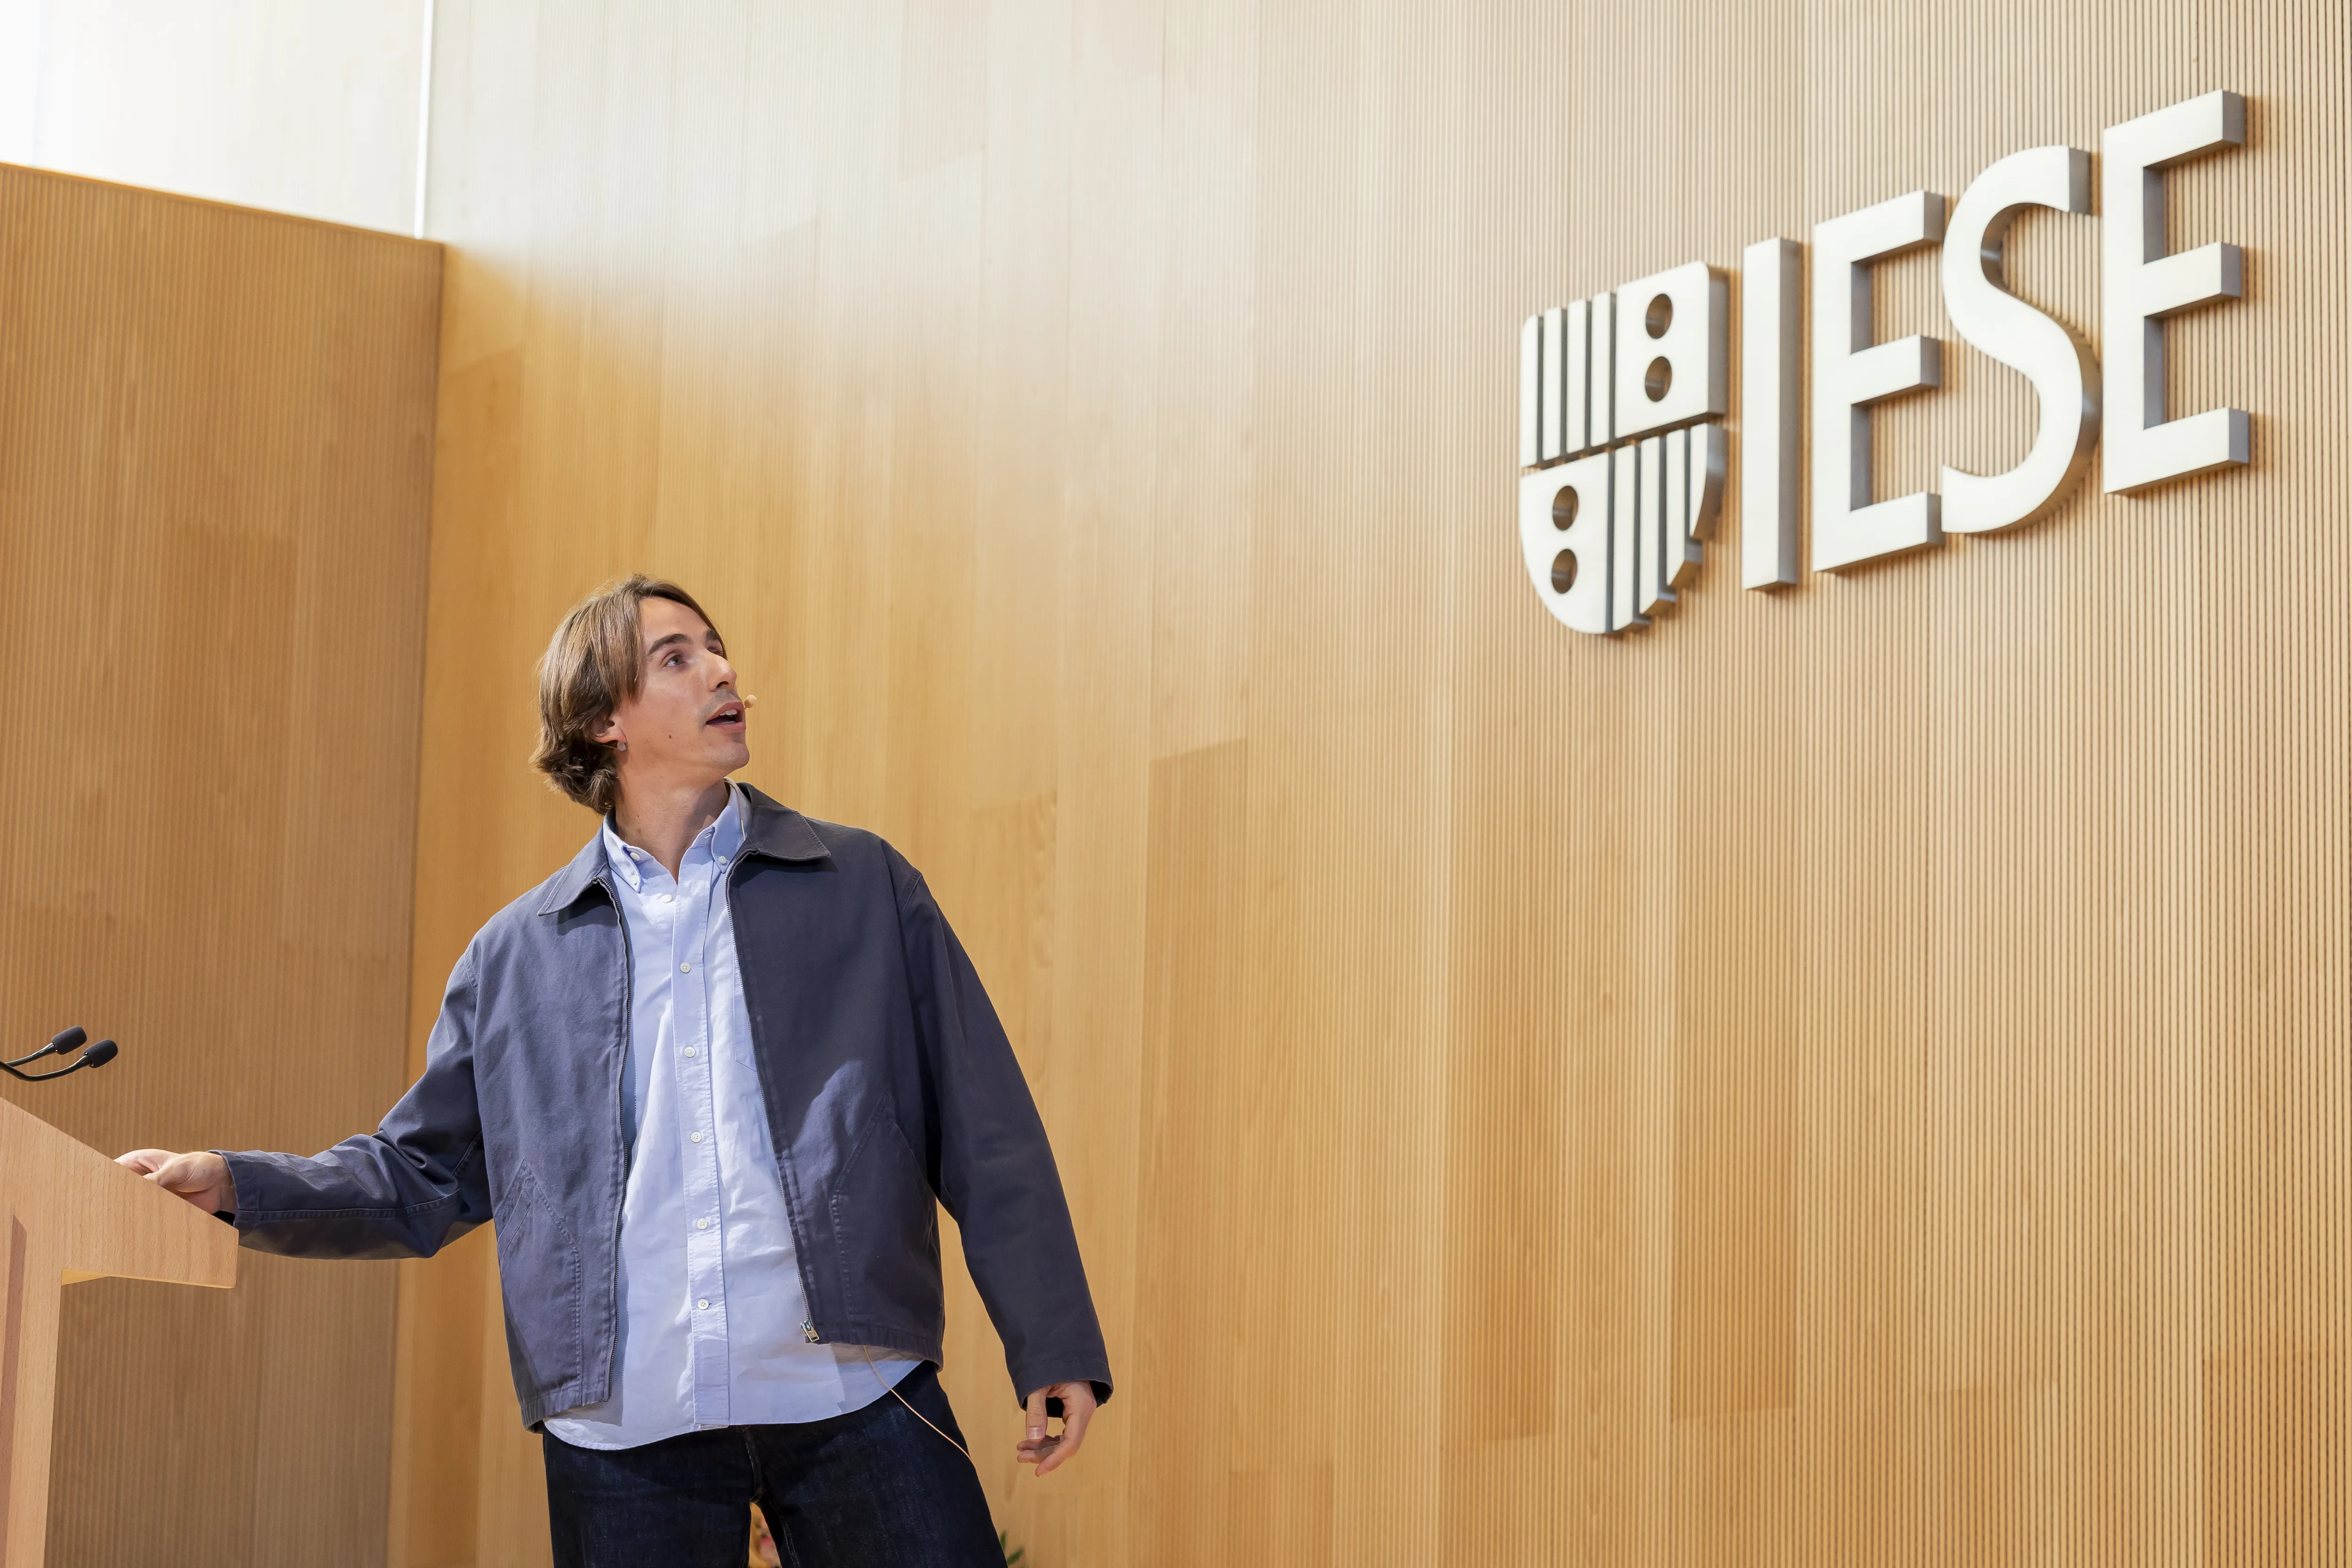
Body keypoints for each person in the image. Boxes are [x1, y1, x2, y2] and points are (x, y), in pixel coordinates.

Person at [119, 575, 1109, 1568]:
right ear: (601, 720)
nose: (723, 671)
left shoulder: (863, 888)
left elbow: (986, 1124)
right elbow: (422, 1174)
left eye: (718, 649)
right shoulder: (516, 956)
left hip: (855, 1393)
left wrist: (1051, 1335)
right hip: (625, 1432)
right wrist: (244, 1185)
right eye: (676, 657)